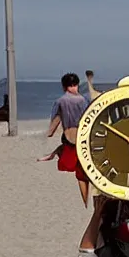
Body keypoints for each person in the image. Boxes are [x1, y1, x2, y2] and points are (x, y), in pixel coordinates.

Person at [48, 73, 90, 206]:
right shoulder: (83, 100)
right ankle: (87, 201)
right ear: (76, 85)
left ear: (63, 86)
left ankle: (85, 202)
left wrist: (49, 133)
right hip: (83, 138)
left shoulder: (60, 101)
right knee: (84, 173)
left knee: (77, 173)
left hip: (68, 138)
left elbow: (54, 122)